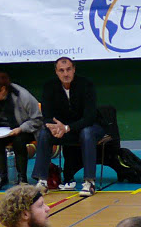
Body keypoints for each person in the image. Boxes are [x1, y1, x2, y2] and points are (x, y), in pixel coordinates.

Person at [32, 57, 104, 197]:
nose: (66, 74)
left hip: (89, 126)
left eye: (69, 69)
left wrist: (67, 128)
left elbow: (89, 118)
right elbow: (47, 115)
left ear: (74, 69)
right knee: (44, 134)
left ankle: (89, 182)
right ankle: (42, 181)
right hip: (62, 129)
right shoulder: (49, 86)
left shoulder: (86, 84)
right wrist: (55, 128)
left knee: (87, 133)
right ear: (56, 72)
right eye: (62, 70)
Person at [0, 71, 43, 191]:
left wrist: (21, 128)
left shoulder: (23, 96)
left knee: (19, 141)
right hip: (3, 131)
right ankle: (2, 176)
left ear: (2, 89)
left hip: (26, 129)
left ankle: (22, 177)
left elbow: (37, 119)